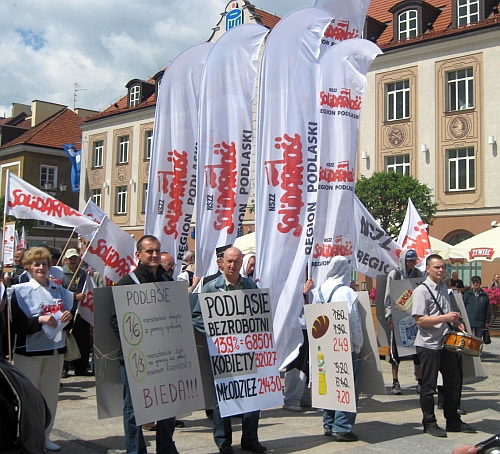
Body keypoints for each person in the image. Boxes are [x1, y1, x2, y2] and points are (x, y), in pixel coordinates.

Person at [192, 247, 267, 454]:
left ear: (241, 262)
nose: (232, 265)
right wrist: (216, 332)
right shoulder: (210, 287)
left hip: (247, 351)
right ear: (221, 263)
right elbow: (197, 316)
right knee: (222, 397)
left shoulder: (250, 286)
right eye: (229, 261)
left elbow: (259, 315)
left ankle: (250, 439)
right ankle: (223, 441)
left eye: (236, 261)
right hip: (222, 353)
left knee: (252, 394)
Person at [111, 235, 178, 454]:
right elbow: (115, 320)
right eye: (149, 251)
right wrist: (135, 344)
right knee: (134, 408)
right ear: (138, 255)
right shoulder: (127, 282)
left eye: (157, 251)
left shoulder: (169, 282)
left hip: (165, 356)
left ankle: (166, 447)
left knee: (168, 402)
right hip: (136, 358)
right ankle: (135, 450)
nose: (154, 255)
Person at [10, 246, 74, 451]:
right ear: (28, 267)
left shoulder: (60, 291)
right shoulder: (19, 291)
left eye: (44, 264)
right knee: (28, 399)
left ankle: (46, 436)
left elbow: (69, 322)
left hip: (54, 351)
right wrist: (39, 319)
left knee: (50, 397)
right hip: (29, 352)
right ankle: (27, 437)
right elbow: (17, 325)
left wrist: (67, 318)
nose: (41, 267)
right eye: (36, 264)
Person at [412, 254, 477, 437]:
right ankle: (429, 422)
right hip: (428, 344)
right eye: (437, 267)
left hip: (446, 342)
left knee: (453, 382)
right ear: (428, 269)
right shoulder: (421, 291)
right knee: (429, 385)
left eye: (442, 267)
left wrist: (455, 323)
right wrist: (445, 318)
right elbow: (420, 320)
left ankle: (453, 420)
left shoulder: (443, 288)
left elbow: (446, 313)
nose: (441, 270)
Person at [312, 256, 363, 442]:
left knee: (329, 384)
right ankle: (342, 426)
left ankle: (328, 422)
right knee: (347, 386)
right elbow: (354, 321)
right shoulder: (347, 292)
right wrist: (358, 344)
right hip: (344, 346)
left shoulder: (319, 290)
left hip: (325, 345)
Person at [384, 248, 424, 394]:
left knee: (417, 350)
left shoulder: (419, 274)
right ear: (404, 260)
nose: (413, 263)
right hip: (398, 316)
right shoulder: (394, 274)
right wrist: (389, 316)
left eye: (414, 260)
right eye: (410, 260)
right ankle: (395, 382)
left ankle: (420, 381)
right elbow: (388, 297)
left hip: (414, 317)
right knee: (395, 351)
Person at [282, 277, 313, 412]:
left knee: (307, 364)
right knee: (296, 364)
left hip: (311, 326)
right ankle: (291, 398)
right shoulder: (291, 282)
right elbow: (290, 307)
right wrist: (304, 292)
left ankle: (304, 396)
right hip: (297, 328)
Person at [61, 248, 92, 377]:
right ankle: (64, 368)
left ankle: (81, 367)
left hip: (81, 310)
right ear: (66, 260)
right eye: (71, 258)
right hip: (67, 311)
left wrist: (91, 276)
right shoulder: (61, 273)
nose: (73, 261)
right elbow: (59, 291)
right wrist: (74, 296)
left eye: (75, 258)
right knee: (66, 339)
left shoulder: (83, 273)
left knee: (83, 340)